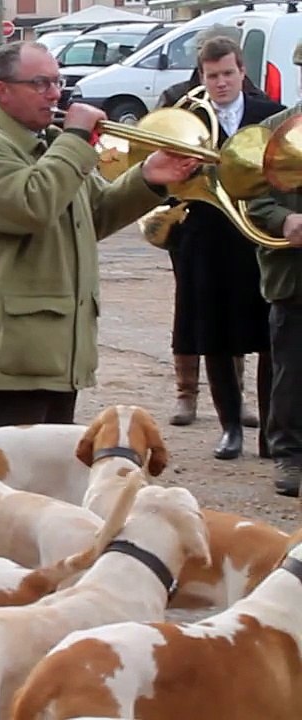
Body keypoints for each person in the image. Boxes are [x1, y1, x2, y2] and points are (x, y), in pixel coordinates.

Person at [0, 40, 200, 428]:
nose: (55, 93)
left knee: (55, 470)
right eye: (40, 83)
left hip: (60, 341)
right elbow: (32, 206)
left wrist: (148, 178)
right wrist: (74, 139)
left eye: (57, 81)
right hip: (21, 343)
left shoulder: (52, 145)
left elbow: (97, 214)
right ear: (2, 91)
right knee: (19, 472)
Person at [166, 36, 281, 460]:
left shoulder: (269, 116)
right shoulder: (188, 121)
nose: (220, 83)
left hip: (257, 237)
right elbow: (164, 180)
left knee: (269, 336)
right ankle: (230, 426)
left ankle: (272, 430)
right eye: (212, 76)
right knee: (213, 335)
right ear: (201, 77)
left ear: (242, 72)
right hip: (207, 238)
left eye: (228, 73)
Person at [247, 38, 302, 496]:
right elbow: (249, 194)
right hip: (294, 273)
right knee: (291, 370)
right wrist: (285, 218)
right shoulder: (271, 130)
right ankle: (289, 456)